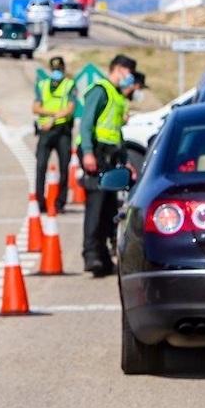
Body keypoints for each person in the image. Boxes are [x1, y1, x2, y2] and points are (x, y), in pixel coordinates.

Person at [78, 54, 144, 276]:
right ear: (118, 69)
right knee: (96, 205)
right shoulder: (100, 90)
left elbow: (117, 134)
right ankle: (91, 255)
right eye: (127, 72)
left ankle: (104, 257)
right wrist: (87, 153)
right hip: (96, 153)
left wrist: (126, 162)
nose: (129, 77)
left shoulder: (116, 96)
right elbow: (86, 124)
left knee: (108, 207)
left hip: (111, 155)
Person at [32, 56, 76, 214]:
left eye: (59, 69)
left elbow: (70, 108)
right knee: (40, 166)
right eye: (54, 70)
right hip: (46, 131)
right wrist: (52, 114)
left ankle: (60, 203)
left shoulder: (69, 85)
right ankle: (40, 202)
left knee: (64, 167)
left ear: (64, 69)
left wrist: (53, 117)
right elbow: (35, 107)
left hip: (63, 131)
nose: (57, 72)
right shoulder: (42, 85)